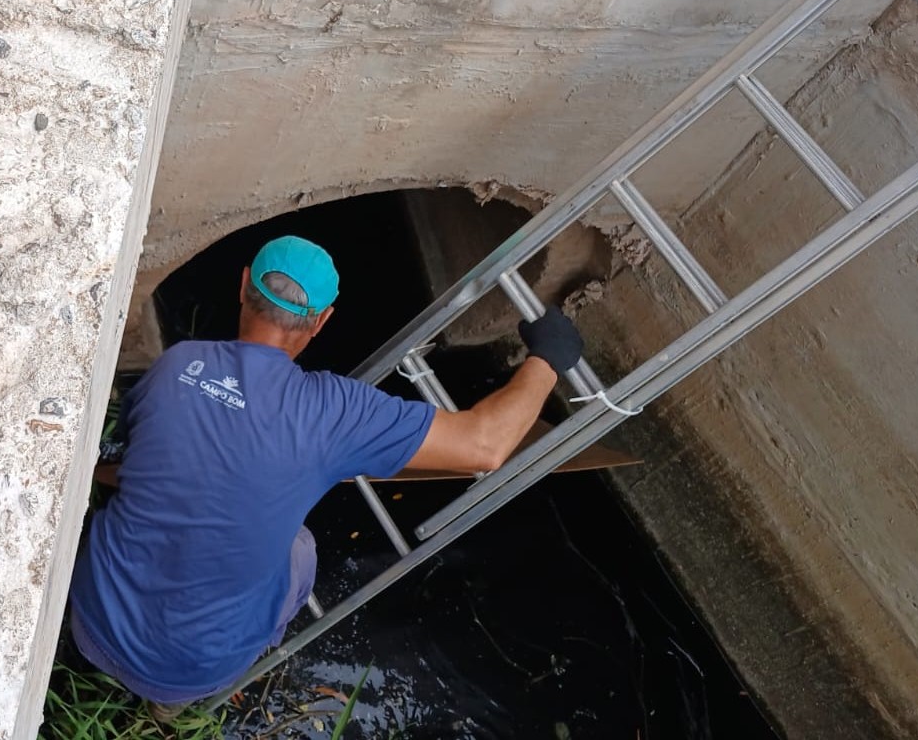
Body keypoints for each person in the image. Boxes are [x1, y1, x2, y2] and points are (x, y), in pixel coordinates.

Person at [67, 234, 584, 718]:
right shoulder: (334, 411)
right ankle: (166, 707)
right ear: (321, 322)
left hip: (90, 619)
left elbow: (127, 468)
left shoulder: (177, 365)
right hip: (187, 673)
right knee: (300, 547)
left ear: (243, 285)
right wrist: (548, 357)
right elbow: (485, 445)